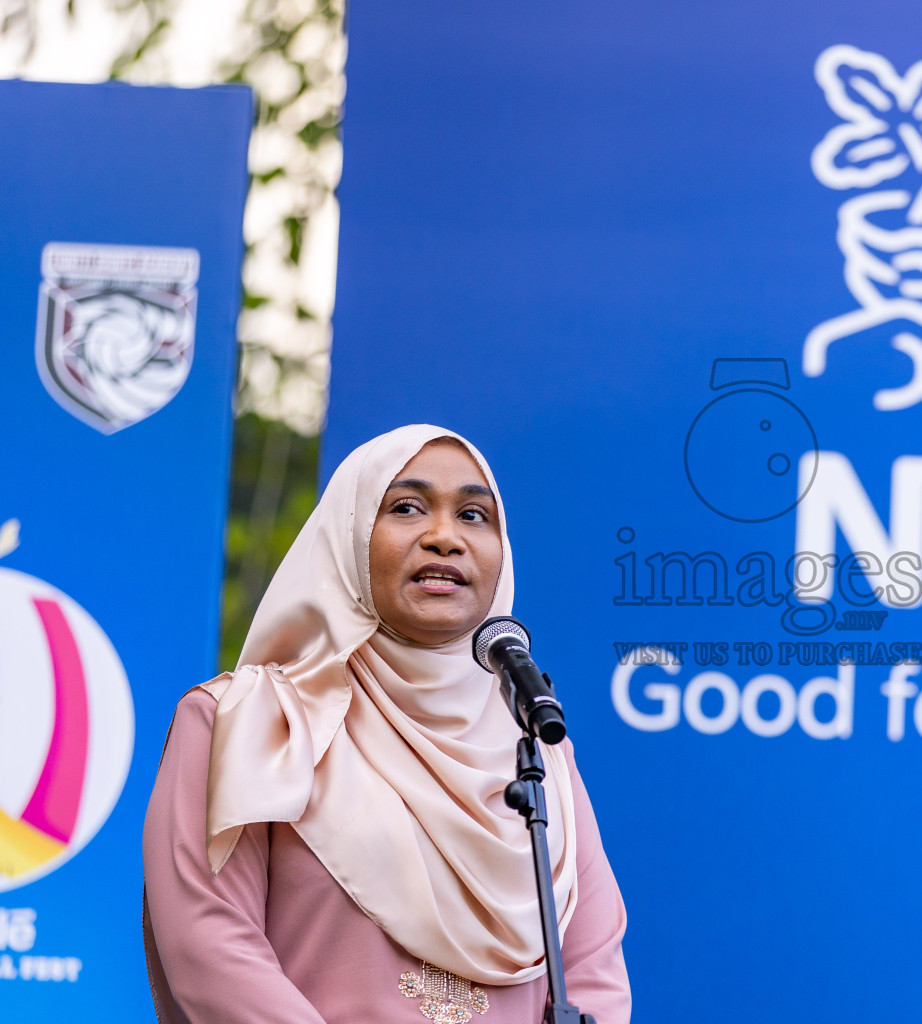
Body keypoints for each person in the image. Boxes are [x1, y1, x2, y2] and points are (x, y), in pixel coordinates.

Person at [143, 425, 630, 1024]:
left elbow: (592, 973)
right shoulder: (249, 722)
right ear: (349, 536)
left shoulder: (535, 744)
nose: (445, 538)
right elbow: (210, 946)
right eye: (406, 507)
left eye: (475, 515)